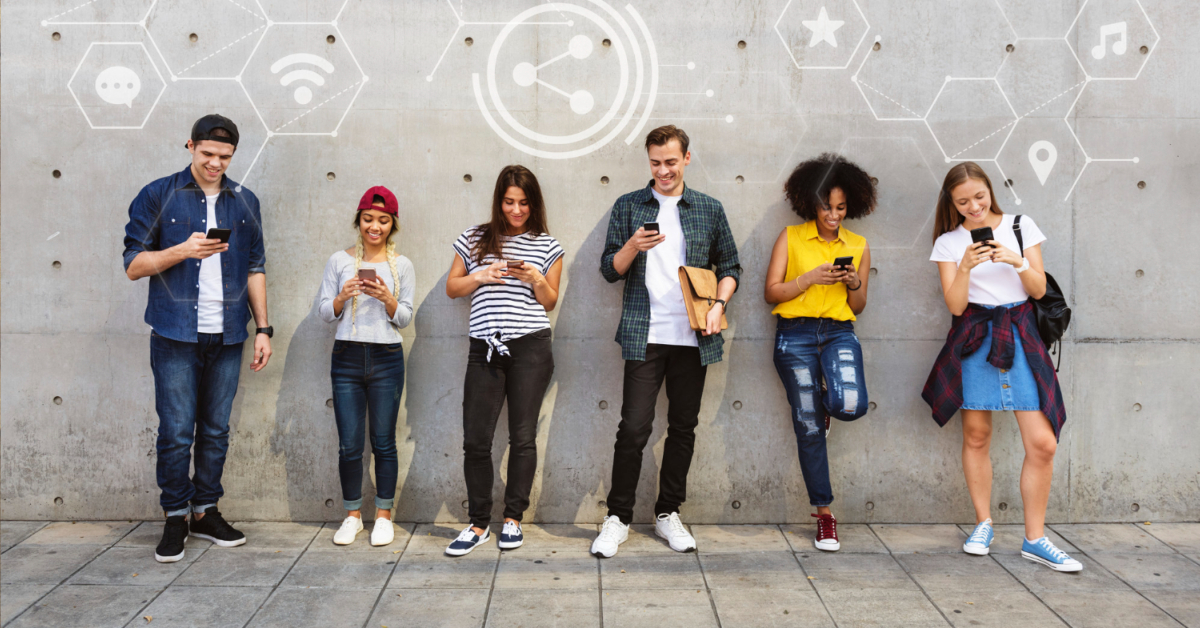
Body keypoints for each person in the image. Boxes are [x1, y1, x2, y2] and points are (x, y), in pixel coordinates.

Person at [122, 114, 271, 563]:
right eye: (207, 154)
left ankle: (205, 511)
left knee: (215, 430)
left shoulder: (245, 202)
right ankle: (174, 516)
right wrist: (182, 250)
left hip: (227, 334)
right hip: (174, 334)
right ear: (190, 147)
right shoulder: (158, 194)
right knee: (175, 432)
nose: (215, 164)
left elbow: (255, 267)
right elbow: (133, 265)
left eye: (224, 157)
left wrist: (263, 328)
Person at [591, 125, 742, 558]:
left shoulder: (708, 209)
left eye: (671, 162)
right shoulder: (629, 206)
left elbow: (731, 266)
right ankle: (617, 518)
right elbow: (608, 270)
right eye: (655, 162)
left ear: (686, 159)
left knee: (682, 428)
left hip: (693, 336)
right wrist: (632, 247)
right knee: (633, 428)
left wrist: (717, 305)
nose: (663, 170)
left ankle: (667, 513)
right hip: (645, 333)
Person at [923, 162, 1080, 572]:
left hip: (1022, 332)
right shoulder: (948, 242)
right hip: (975, 335)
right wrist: (965, 267)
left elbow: (1040, 289)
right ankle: (983, 523)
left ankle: (1035, 539)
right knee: (976, 435)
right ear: (951, 204)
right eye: (963, 202)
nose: (974, 207)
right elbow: (956, 306)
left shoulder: (1021, 225)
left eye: (979, 196)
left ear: (990, 190)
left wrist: (1016, 261)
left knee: (1043, 444)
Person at [443, 165, 563, 556]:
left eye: (524, 203)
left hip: (531, 346)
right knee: (476, 440)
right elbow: (452, 288)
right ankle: (478, 523)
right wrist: (481, 275)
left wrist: (535, 279)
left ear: (534, 203)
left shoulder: (547, 245)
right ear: (498, 200)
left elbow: (550, 301)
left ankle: (513, 519)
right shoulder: (475, 237)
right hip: (485, 348)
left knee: (522, 438)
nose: (516, 210)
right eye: (509, 202)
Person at [763, 154, 874, 552]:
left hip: (839, 332)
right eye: (827, 206)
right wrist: (808, 279)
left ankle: (828, 405)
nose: (833, 214)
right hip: (795, 335)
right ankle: (824, 515)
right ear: (812, 203)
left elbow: (858, 306)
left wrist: (854, 281)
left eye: (841, 207)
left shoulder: (858, 245)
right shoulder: (790, 238)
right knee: (808, 426)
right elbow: (771, 292)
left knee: (851, 404)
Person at [316, 186, 416, 547]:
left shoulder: (401, 265)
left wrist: (388, 299)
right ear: (358, 221)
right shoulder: (338, 261)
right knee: (349, 444)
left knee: (384, 442)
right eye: (369, 219)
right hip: (347, 357)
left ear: (392, 224)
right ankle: (353, 515)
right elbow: (325, 313)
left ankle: (384, 516)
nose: (375, 226)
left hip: (387, 358)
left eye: (383, 221)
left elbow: (405, 318)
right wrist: (343, 297)